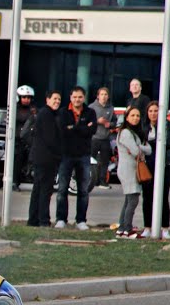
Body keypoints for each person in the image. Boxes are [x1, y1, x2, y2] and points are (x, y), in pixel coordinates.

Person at [54, 85, 97, 230]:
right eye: (74, 97)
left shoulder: (90, 112)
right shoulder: (63, 112)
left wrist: (74, 127)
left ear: (83, 98)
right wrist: (82, 128)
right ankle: (61, 219)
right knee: (62, 189)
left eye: (80, 97)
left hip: (84, 155)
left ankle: (81, 221)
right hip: (66, 155)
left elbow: (92, 130)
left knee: (83, 190)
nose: (77, 99)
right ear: (70, 98)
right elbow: (63, 131)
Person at [26, 90, 63, 227]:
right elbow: (50, 138)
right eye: (54, 99)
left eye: (59, 99)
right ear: (47, 99)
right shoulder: (46, 114)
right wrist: (60, 153)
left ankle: (34, 220)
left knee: (39, 189)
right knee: (44, 190)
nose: (57, 101)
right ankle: (43, 220)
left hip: (44, 158)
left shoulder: (50, 114)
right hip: (45, 158)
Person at [114, 106, 150, 238]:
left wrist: (139, 148)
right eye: (132, 115)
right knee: (133, 200)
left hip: (133, 169)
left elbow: (147, 150)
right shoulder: (125, 133)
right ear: (127, 117)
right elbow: (135, 152)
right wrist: (139, 149)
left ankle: (122, 228)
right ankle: (128, 230)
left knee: (128, 200)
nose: (135, 118)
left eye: (138, 116)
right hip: (128, 170)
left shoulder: (134, 133)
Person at [140, 101, 170, 240]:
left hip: (166, 164)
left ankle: (165, 229)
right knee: (147, 196)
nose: (153, 114)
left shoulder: (167, 125)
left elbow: (168, 142)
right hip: (148, 164)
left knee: (163, 196)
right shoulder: (144, 126)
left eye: (156, 111)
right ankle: (147, 227)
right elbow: (141, 143)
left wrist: (151, 144)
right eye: (151, 111)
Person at [11, 85, 39, 190]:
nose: (26, 99)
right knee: (18, 159)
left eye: (28, 97)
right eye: (24, 97)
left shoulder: (34, 110)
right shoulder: (14, 109)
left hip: (31, 139)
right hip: (18, 139)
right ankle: (14, 182)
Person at [88, 85, 114, 188]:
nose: (103, 96)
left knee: (104, 161)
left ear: (108, 97)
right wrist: (97, 121)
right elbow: (86, 121)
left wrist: (110, 124)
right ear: (98, 96)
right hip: (94, 138)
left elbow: (115, 122)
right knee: (90, 159)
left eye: (105, 94)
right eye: (102, 94)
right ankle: (88, 179)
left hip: (105, 138)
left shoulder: (111, 108)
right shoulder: (91, 107)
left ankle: (102, 181)